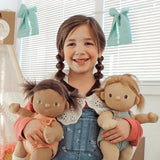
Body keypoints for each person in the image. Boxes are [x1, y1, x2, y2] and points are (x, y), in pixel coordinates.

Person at [13, 15, 142, 160]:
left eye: (88, 43)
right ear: (62, 50)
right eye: (71, 44)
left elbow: (133, 121)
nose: (80, 51)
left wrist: (129, 128)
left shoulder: (109, 90)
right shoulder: (50, 87)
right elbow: (21, 120)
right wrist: (27, 126)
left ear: (100, 50)